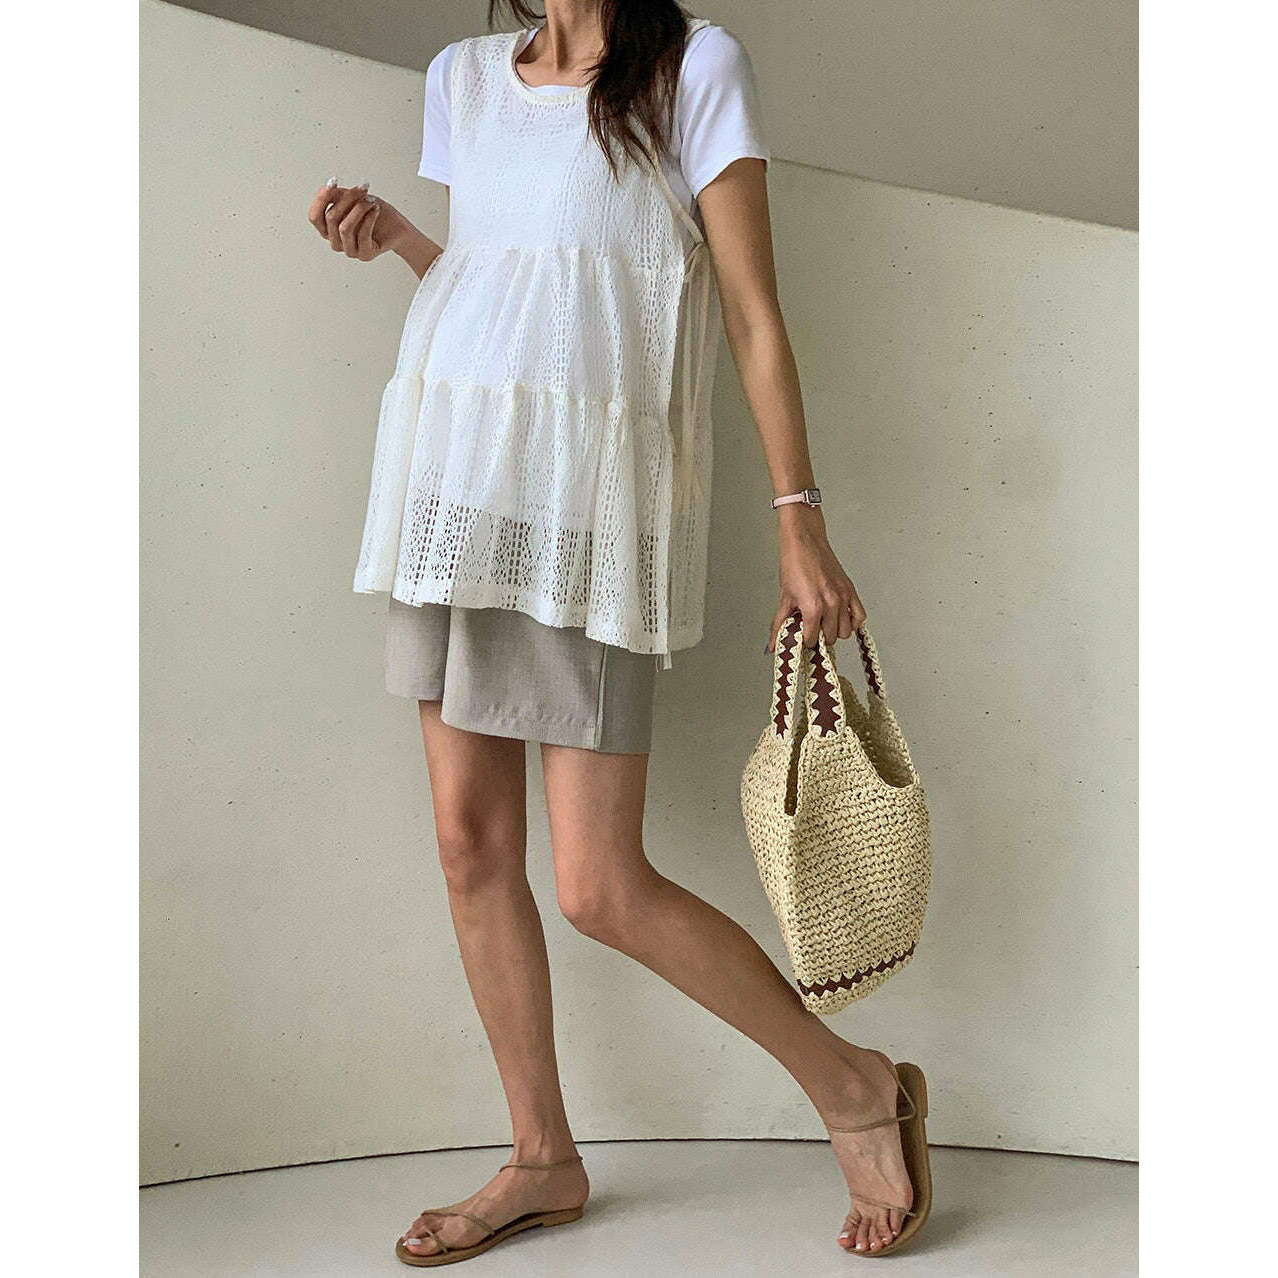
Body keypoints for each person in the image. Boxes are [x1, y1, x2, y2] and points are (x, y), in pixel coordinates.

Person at [307, 1, 928, 1263]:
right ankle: (542, 1157)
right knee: (469, 845)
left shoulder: (693, 69)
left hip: (581, 515)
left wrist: (799, 519)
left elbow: (750, 312)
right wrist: (405, 243)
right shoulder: (464, 77)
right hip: (451, 488)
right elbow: (513, 291)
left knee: (599, 884)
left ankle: (856, 1085)